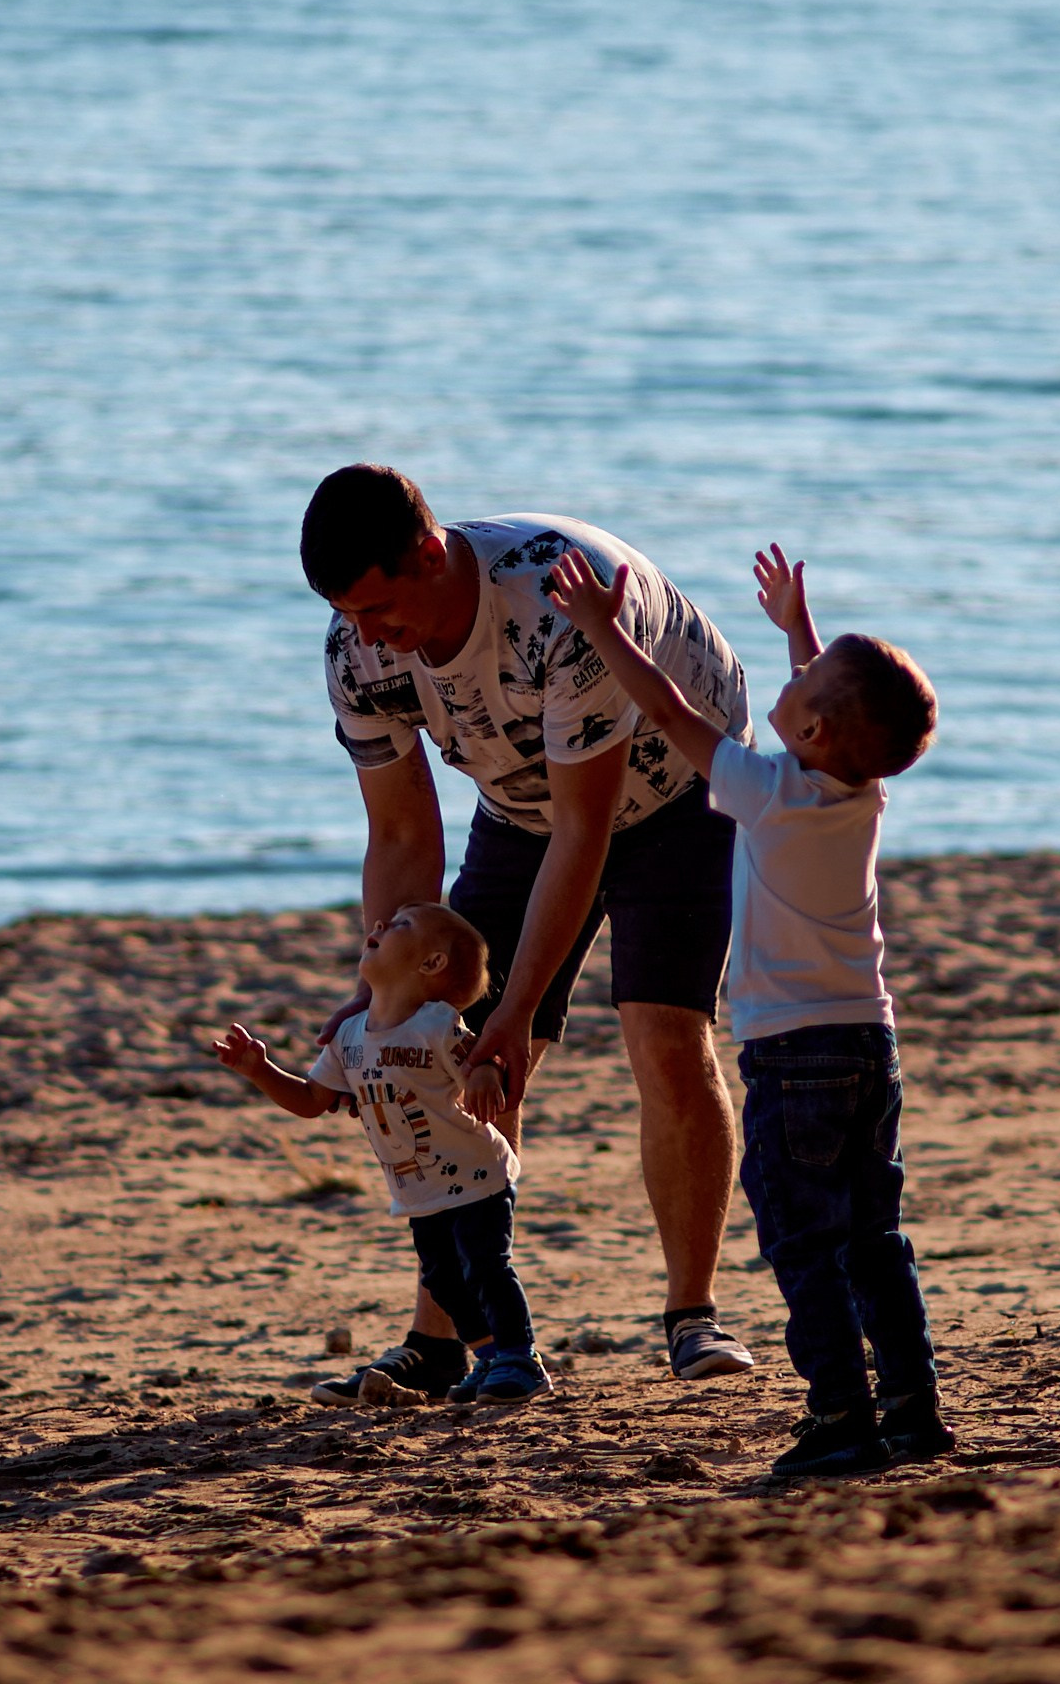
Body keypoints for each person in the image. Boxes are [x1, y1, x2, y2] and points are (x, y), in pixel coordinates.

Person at [302, 462, 755, 1401]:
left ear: (429, 555)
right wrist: (382, 989)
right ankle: (446, 1341)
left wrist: (519, 1007)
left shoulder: (555, 598)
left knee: (664, 1037)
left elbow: (587, 831)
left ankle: (692, 1317)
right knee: (457, 1053)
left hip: (681, 788)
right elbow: (399, 831)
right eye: (349, 615)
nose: (369, 635)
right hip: (520, 807)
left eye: (380, 609)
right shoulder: (358, 652)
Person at [546, 535, 949, 1481]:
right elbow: (836, 710)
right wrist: (800, 632)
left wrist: (605, 629)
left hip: (792, 1054)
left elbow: (667, 709)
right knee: (872, 1236)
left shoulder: (766, 793)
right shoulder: (862, 793)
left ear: (810, 736)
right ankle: (910, 1407)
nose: (791, 686)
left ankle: (841, 1418)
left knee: (803, 1240)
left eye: (803, 688)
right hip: (868, 1041)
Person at [213, 902, 550, 1402]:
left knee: (485, 1267)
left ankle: (521, 1357)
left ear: (431, 964)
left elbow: (480, 1061)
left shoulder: (437, 1024)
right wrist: (260, 1071)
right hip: (419, 1189)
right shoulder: (349, 1035)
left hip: (477, 1175)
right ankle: (489, 1359)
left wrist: (483, 1075)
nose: (379, 926)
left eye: (401, 925)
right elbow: (310, 1100)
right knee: (443, 1282)